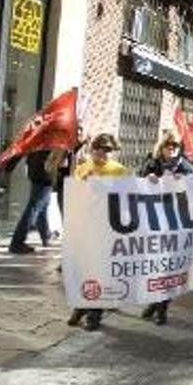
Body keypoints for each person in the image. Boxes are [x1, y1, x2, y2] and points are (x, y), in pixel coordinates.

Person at [66, 134, 129, 331]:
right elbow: (75, 195)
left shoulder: (119, 171)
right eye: (98, 148)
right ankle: (81, 306)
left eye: (107, 149)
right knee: (82, 270)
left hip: (106, 228)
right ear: (92, 149)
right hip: (85, 227)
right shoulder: (82, 168)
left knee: (100, 272)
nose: (102, 152)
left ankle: (95, 314)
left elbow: (127, 198)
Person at [138, 131, 193, 325]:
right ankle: (155, 304)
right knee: (154, 265)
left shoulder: (186, 166)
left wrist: (187, 180)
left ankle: (161, 308)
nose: (172, 149)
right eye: (168, 146)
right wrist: (149, 178)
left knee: (167, 267)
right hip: (153, 222)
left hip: (175, 224)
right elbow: (137, 183)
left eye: (175, 146)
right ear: (161, 147)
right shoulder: (151, 164)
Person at [7, 151, 55, 254]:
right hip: (45, 173)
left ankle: (46, 236)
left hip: (35, 172)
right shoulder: (51, 137)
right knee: (34, 207)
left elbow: (22, 149)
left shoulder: (35, 136)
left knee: (42, 206)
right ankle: (17, 243)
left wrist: (10, 165)